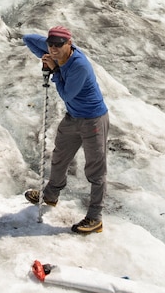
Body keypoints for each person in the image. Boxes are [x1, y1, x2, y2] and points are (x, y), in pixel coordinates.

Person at [22, 25, 109, 234]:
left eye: (59, 45)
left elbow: (66, 94)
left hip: (93, 120)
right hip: (73, 118)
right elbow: (28, 39)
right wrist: (47, 51)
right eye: (51, 44)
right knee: (60, 157)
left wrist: (55, 69)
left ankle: (95, 218)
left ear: (69, 44)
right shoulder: (54, 48)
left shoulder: (79, 65)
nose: (54, 48)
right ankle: (50, 196)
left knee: (95, 170)